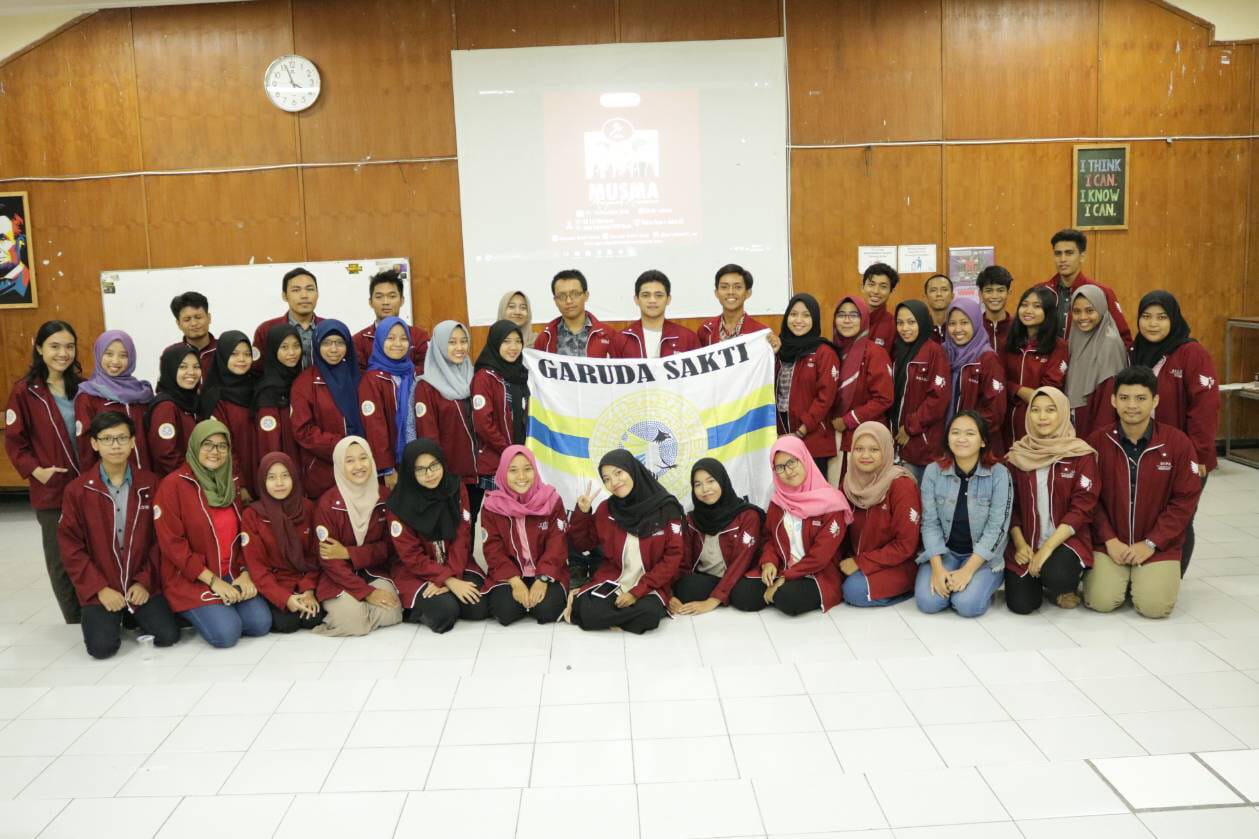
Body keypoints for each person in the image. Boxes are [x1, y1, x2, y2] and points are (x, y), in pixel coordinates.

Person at [58, 412, 180, 659]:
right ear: (94, 444)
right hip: (103, 585)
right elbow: (71, 548)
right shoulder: (77, 491)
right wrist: (99, 588)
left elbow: (162, 540)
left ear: (133, 441)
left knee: (168, 635)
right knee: (102, 649)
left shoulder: (150, 483)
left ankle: (129, 612)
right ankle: (117, 613)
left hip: (140, 583)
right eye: (107, 439)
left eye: (122, 438)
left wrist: (145, 581)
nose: (115, 445)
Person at [1084, 366, 1203, 617]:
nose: (1132, 406)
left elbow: (1184, 501)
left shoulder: (1178, 443)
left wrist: (1152, 542)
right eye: (1124, 398)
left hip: (1158, 545)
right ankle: (1125, 576)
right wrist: (1109, 539)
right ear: (1113, 400)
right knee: (1101, 601)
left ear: (1155, 400)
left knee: (1154, 608)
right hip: (1110, 544)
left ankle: (1142, 576)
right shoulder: (1097, 442)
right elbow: (1088, 499)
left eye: (1141, 398)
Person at [154, 419, 272, 648]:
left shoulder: (232, 483)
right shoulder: (173, 486)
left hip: (231, 572)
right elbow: (172, 545)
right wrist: (214, 582)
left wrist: (245, 572)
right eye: (207, 444)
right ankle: (197, 610)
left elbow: (244, 535)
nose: (214, 452)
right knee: (226, 634)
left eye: (222, 446)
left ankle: (220, 608)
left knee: (260, 623)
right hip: (194, 578)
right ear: (195, 446)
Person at [1130, 291, 1219, 574]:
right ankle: (1148, 571)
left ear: (1174, 320)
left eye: (1161, 317)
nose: (1152, 324)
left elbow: (1206, 407)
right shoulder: (1137, 351)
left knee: (1180, 517)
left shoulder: (1191, 352)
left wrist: (1199, 456)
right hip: (1147, 450)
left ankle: (1173, 577)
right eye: (1146, 317)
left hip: (1186, 456)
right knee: (1152, 515)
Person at [5, 320, 83, 622]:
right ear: (39, 348)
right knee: (61, 557)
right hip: (52, 488)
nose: (62, 353)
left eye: (69, 346)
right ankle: (73, 618)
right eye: (54, 346)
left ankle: (94, 610)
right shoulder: (26, 392)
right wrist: (36, 471)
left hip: (85, 484)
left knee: (90, 550)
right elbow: (15, 441)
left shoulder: (83, 386)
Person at [1004, 387, 1100, 614]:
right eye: (1035, 410)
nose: (1042, 417)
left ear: (1064, 413)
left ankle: (1060, 585)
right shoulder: (1018, 455)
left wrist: (1047, 548)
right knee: (1021, 605)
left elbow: (1082, 509)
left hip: (1064, 540)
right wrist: (1020, 544)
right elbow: (1012, 506)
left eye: (1050, 410)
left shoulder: (1080, 455)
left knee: (1057, 574)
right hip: (1027, 541)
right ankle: (1039, 576)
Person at [569, 449, 685, 633]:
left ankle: (612, 620)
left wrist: (636, 592)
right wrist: (582, 514)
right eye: (606, 478)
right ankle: (623, 621)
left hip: (650, 584)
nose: (614, 482)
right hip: (614, 579)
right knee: (586, 609)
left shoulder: (666, 509)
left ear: (632, 470)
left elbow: (672, 558)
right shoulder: (606, 509)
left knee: (649, 614)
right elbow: (583, 544)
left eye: (618, 473)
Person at [738, 436, 851, 615]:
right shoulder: (778, 500)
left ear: (804, 459)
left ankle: (779, 591)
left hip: (818, 573)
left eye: (792, 462)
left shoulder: (831, 503)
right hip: (784, 567)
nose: (788, 471)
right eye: (780, 467)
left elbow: (820, 557)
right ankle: (776, 590)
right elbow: (769, 538)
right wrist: (768, 562)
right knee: (742, 594)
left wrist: (784, 578)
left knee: (788, 599)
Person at [915, 411, 1011, 618]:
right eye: (955, 433)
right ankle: (953, 579)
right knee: (929, 602)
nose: (961, 439)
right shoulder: (933, 471)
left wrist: (967, 571)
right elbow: (929, 524)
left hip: (982, 557)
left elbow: (997, 528)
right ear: (947, 438)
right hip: (946, 552)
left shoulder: (999, 474)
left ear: (983, 441)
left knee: (967, 606)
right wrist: (938, 569)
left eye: (970, 433)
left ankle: (982, 583)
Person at [388, 438, 488, 633]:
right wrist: (448, 580)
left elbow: (462, 536)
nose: (430, 474)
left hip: (457, 564)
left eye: (434, 465)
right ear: (409, 471)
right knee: (444, 613)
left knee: (480, 606)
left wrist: (451, 574)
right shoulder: (398, 504)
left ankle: (445, 596)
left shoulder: (455, 488)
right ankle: (415, 608)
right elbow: (411, 556)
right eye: (420, 469)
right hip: (416, 572)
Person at [312, 436, 403, 636]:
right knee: (355, 626)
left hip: (373, 570)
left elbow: (390, 547)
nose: (358, 466)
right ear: (339, 465)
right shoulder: (327, 504)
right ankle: (350, 615)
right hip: (338, 577)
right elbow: (329, 559)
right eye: (350, 460)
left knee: (392, 614)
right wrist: (366, 593)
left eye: (363, 458)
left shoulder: (384, 497)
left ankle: (354, 613)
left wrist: (348, 553)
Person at [480, 446, 570, 625]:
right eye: (513, 471)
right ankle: (520, 594)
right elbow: (492, 548)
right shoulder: (492, 506)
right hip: (510, 573)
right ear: (503, 473)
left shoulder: (551, 500)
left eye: (527, 469)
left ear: (535, 471)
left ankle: (536, 596)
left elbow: (557, 544)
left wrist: (543, 578)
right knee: (505, 612)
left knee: (546, 611)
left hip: (546, 572)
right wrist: (515, 581)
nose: (521, 477)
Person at [840, 422, 921, 607]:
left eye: (874, 449)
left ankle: (909, 588)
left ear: (885, 451)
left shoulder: (901, 485)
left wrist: (860, 562)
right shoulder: (849, 482)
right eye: (859, 449)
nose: (865, 455)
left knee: (853, 591)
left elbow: (905, 546)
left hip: (897, 564)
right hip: (856, 560)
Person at [241, 453, 325, 633]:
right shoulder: (253, 515)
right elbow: (256, 567)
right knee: (287, 624)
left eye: (285, 475)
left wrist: (308, 590)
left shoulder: (308, 508)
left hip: (303, 581)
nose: (279, 483)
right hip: (274, 584)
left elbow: (315, 555)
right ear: (262, 481)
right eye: (271, 477)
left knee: (313, 619)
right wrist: (285, 598)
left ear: (294, 477)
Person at [671, 458, 766, 615]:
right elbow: (683, 561)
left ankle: (723, 594)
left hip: (740, 576)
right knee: (684, 588)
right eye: (698, 484)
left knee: (747, 597)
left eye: (710, 481)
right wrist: (669, 594)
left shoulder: (748, 515)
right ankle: (725, 593)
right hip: (709, 578)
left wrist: (712, 601)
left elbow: (742, 561)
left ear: (722, 481)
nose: (705, 489)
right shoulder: (691, 520)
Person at [415, 320, 483, 524]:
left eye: (463, 341)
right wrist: (439, 475)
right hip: (449, 476)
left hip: (477, 475)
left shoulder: (474, 377)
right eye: (452, 342)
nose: (459, 348)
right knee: (453, 530)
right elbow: (428, 436)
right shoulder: (427, 387)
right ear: (439, 345)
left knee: (469, 528)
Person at [291, 320, 365, 500]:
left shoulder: (361, 378)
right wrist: (342, 446)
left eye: (339, 343)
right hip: (324, 472)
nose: (333, 349)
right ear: (316, 345)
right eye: (326, 343)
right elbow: (303, 430)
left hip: (363, 467)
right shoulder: (305, 382)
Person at [828, 295, 893, 485]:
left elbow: (884, 398)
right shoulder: (830, 350)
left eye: (854, 315)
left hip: (864, 438)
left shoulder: (874, 353)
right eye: (841, 315)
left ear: (864, 318)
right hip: (833, 438)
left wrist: (847, 420)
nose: (847, 320)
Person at [775, 293, 841, 475]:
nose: (798, 320)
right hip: (781, 438)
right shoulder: (778, 350)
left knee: (814, 497)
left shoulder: (824, 352)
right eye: (793, 314)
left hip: (812, 440)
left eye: (806, 315)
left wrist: (801, 431)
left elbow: (825, 398)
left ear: (815, 319)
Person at [74, 330, 154, 472]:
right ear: (98, 355)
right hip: (110, 479)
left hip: (146, 476)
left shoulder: (142, 392)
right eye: (108, 354)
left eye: (123, 355)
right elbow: (85, 446)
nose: (115, 361)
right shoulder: (88, 396)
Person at [889, 300, 950, 482]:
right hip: (897, 441)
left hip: (922, 442)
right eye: (900, 323)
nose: (905, 328)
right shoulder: (896, 350)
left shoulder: (934, 352)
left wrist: (910, 427)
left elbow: (938, 399)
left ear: (922, 322)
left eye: (911, 322)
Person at [1038, 229, 1131, 345]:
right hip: (1049, 362)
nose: (1062, 259)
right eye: (1058, 253)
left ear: (1082, 257)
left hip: (1089, 362)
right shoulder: (1041, 291)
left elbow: (1123, 339)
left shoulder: (1101, 292)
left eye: (1069, 253)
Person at [1004, 287, 1069, 452]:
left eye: (1036, 306)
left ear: (1048, 312)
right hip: (1005, 424)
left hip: (1039, 424)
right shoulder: (1009, 342)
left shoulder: (1058, 346)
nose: (1028, 310)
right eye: (1024, 305)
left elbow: (1045, 395)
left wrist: (1012, 388)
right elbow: (996, 381)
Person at [197, 331, 258, 501]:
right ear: (223, 357)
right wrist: (240, 484)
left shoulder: (257, 388)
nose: (242, 359)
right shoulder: (215, 398)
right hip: (235, 482)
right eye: (234, 354)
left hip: (263, 475)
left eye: (247, 354)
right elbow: (221, 446)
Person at [944, 298, 1007, 456]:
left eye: (965, 322)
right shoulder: (943, 353)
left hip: (978, 447)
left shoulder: (987, 359)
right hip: (945, 444)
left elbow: (995, 410)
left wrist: (966, 437)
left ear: (976, 323)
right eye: (952, 323)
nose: (958, 329)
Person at [360, 316, 419, 486]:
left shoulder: (413, 373)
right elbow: (375, 426)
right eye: (390, 338)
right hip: (393, 464)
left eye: (403, 338)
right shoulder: (372, 379)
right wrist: (386, 467)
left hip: (417, 458)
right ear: (379, 341)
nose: (398, 344)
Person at [1065, 285, 1129, 439]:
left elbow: (1108, 398)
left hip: (1096, 421)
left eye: (1089, 310)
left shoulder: (1110, 342)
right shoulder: (1075, 335)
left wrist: (1099, 439)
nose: (1082, 317)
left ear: (1101, 308)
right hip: (1075, 421)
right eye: (1077, 311)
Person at [472, 320, 530, 487]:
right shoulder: (484, 377)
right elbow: (483, 424)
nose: (513, 347)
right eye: (506, 341)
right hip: (497, 462)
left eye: (518, 341)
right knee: (498, 511)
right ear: (495, 342)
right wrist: (508, 451)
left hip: (521, 462)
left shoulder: (522, 374)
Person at [352, 268, 430, 370]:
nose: (385, 302)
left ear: (402, 301)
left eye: (392, 296)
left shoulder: (419, 337)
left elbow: (426, 372)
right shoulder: (359, 341)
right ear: (370, 302)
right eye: (379, 297)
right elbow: (359, 376)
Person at [534, 269, 622, 357]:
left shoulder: (609, 335)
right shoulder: (545, 338)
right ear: (555, 301)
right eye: (562, 296)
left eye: (575, 294)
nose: (568, 301)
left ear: (586, 296)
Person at [617, 270, 701, 358]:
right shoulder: (620, 340)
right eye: (645, 295)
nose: (652, 300)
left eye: (659, 295)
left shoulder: (688, 338)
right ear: (636, 299)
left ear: (668, 299)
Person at [147, 345, 201, 478]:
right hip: (178, 484)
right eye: (182, 367)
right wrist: (194, 477)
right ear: (169, 369)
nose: (191, 372)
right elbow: (166, 453)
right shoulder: (166, 406)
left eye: (196, 366)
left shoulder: (193, 401)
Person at [253, 267, 323, 369]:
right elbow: (256, 370)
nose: (304, 295)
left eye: (310, 289)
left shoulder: (330, 329)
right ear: (285, 296)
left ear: (317, 294)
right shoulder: (266, 330)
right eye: (296, 290)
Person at [253, 324, 303, 466]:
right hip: (283, 470)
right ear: (273, 349)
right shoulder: (269, 390)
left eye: (296, 346)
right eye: (284, 347)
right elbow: (270, 443)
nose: (292, 352)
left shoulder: (301, 380)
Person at [696, 263, 776, 348]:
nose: (730, 292)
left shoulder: (761, 332)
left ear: (748, 293)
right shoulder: (705, 330)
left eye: (737, 287)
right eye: (724, 287)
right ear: (716, 293)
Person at [164, 291, 217, 375]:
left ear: (209, 318)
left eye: (198, 317)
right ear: (178, 324)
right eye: (187, 319)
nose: (194, 323)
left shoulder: (225, 350)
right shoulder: (172, 355)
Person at [861, 262, 900, 350]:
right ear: (862, 287)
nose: (875, 291)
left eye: (883, 286)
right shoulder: (850, 319)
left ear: (892, 291)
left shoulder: (894, 325)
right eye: (871, 284)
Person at [977, 265, 1014, 352]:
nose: (994, 296)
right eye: (989, 291)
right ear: (980, 294)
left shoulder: (1018, 327)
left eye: (1000, 290)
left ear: (1008, 293)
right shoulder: (974, 328)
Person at [924, 273, 954, 343]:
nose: (939, 294)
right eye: (933, 290)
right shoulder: (921, 329)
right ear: (926, 297)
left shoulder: (958, 328)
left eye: (944, 289)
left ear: (952, 296)